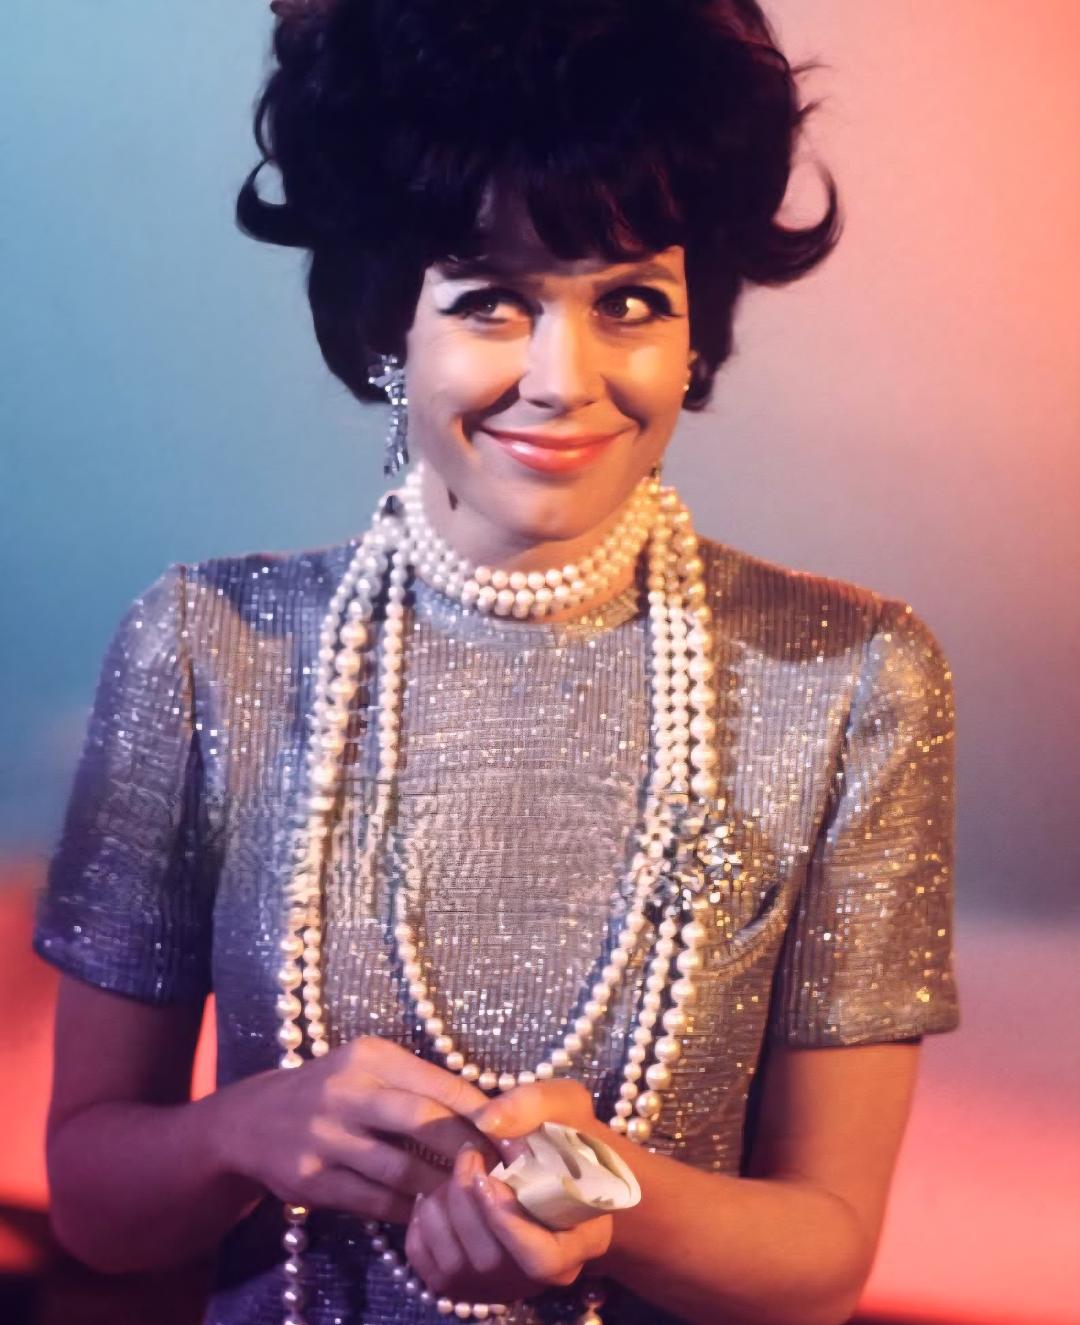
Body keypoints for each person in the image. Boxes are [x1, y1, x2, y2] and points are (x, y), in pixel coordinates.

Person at [33, 2, 959, 1323]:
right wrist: (246, 1129)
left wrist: (610, 1202)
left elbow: (823, 1262)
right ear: (385, 326)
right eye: (489, 301)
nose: (563, 377)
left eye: (629, 301)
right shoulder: (206, 647)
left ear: (695, 333)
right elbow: (94, 1201)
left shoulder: (851, 676)